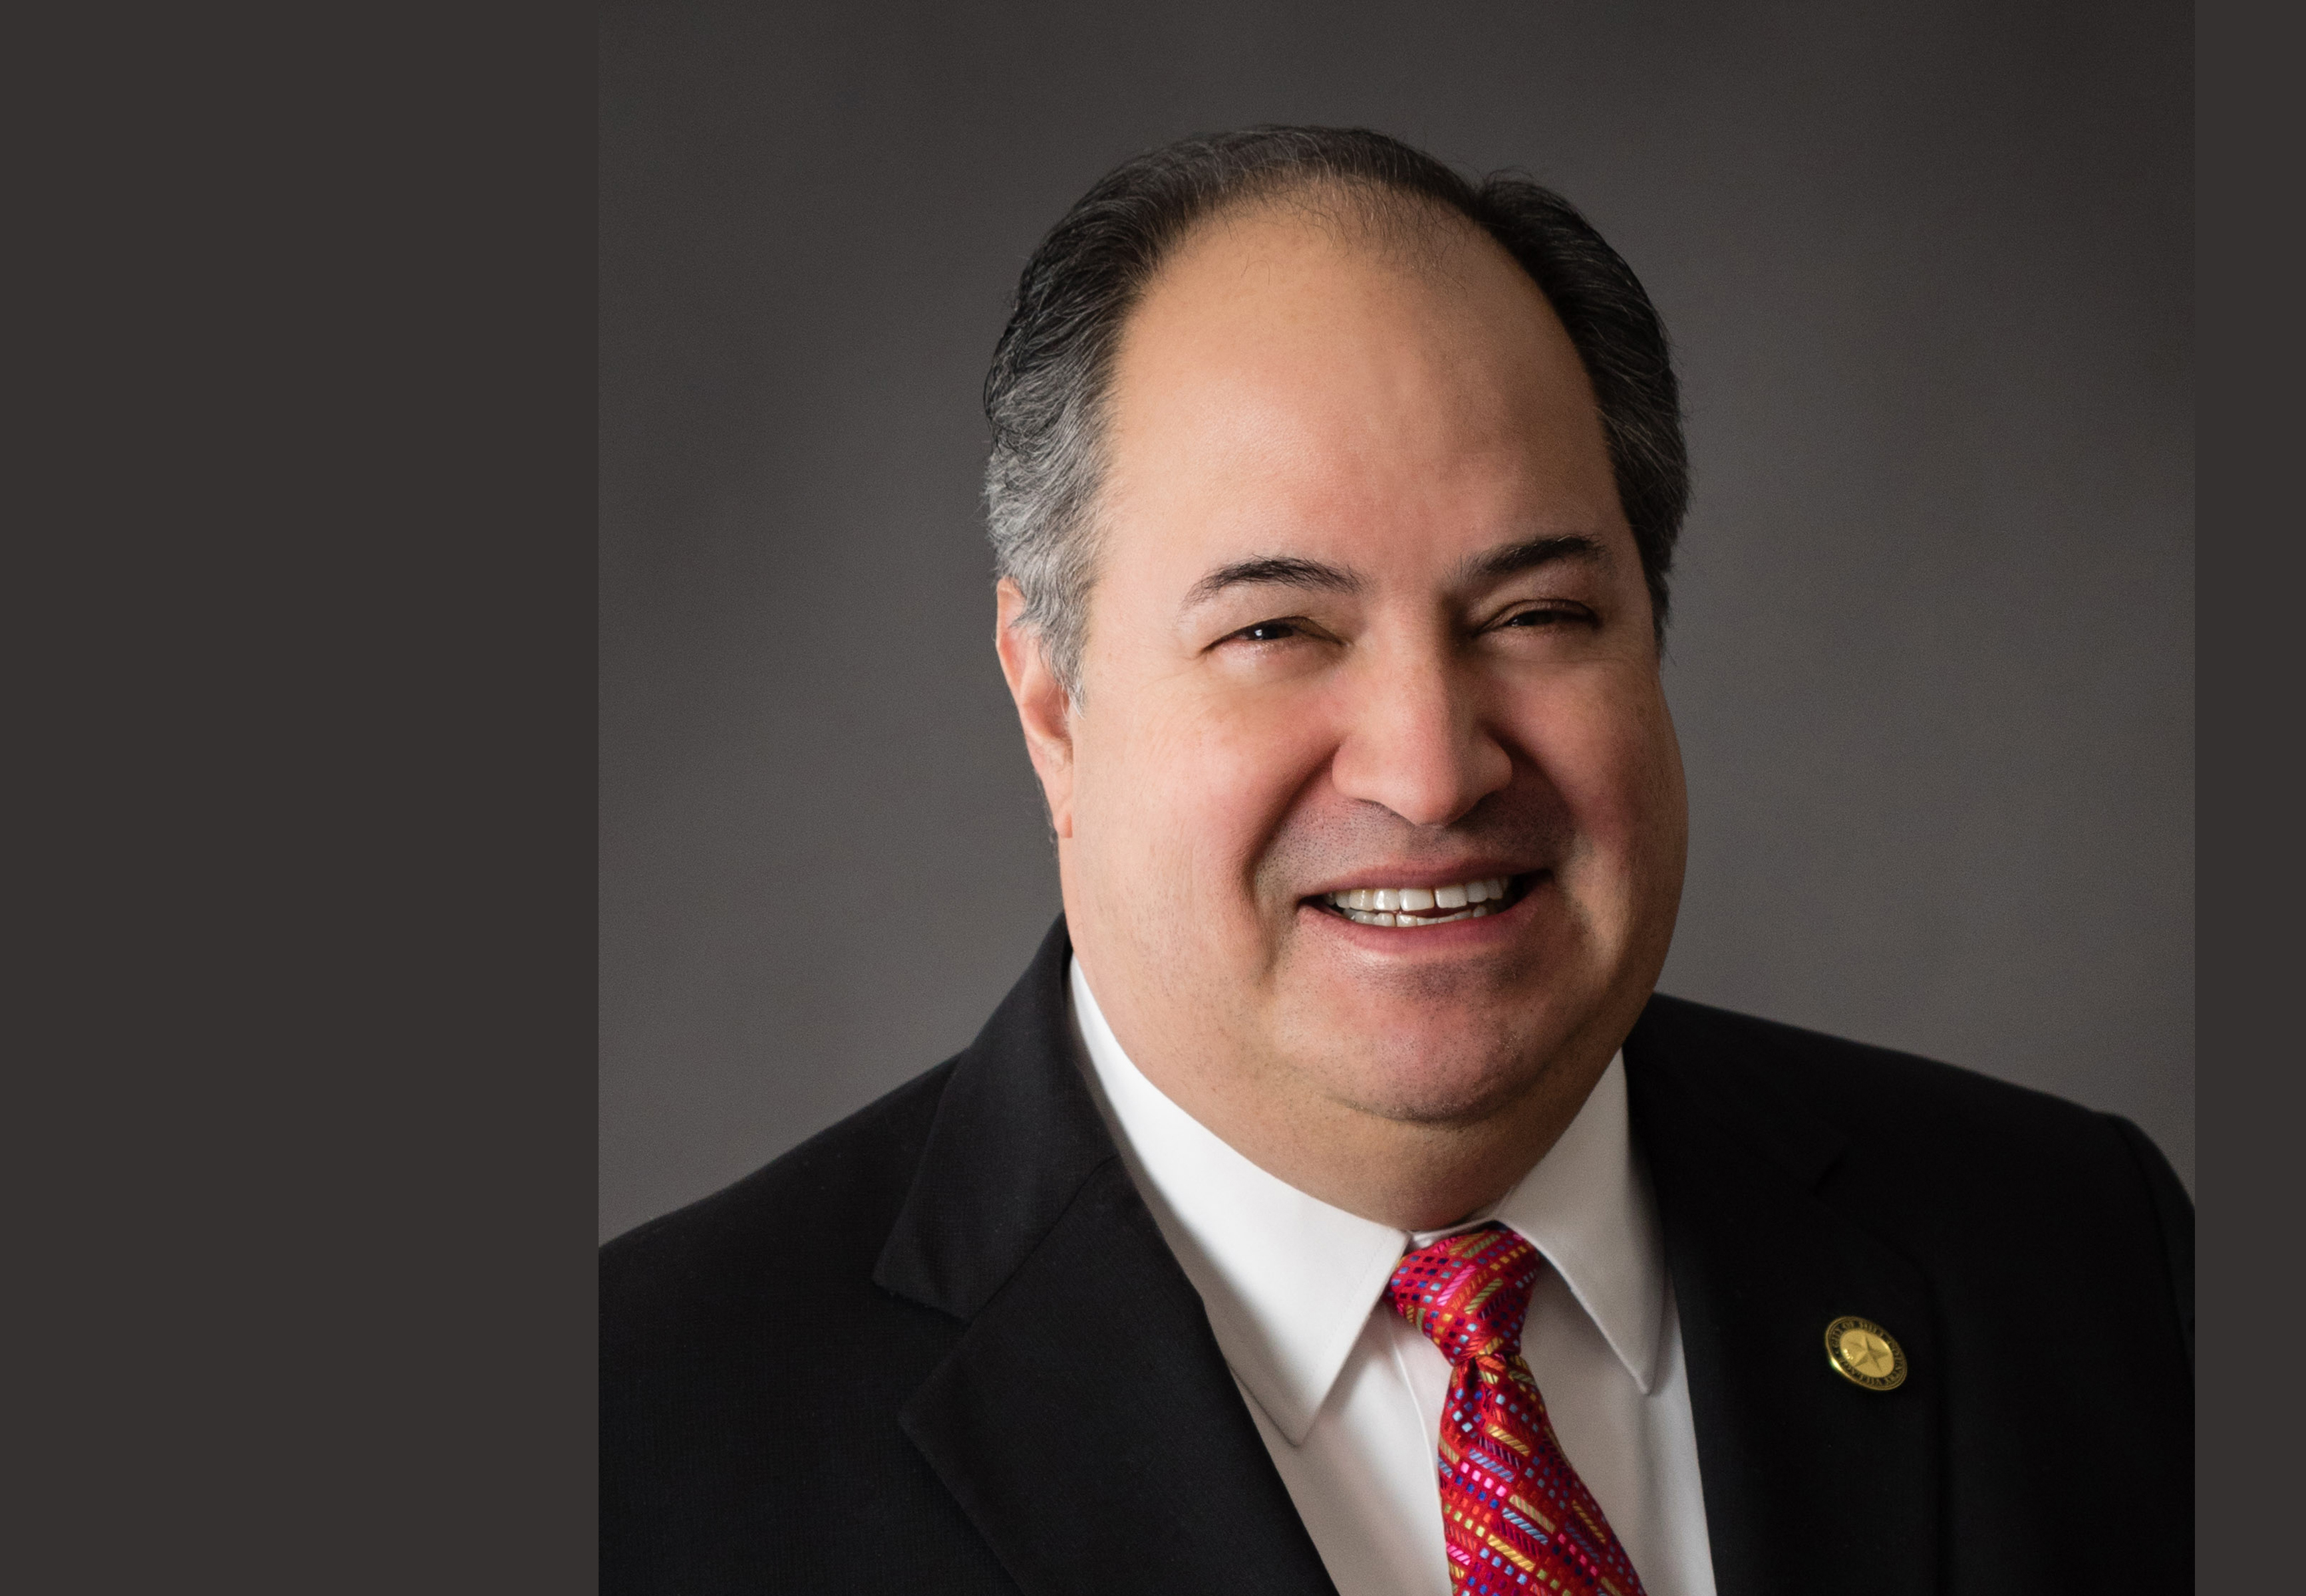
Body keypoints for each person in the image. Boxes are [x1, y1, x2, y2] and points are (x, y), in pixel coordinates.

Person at [601, 126, 2192, 1596]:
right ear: (1052, 703)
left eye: (1537, 616)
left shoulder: (2089, 1265)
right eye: (1279, 630)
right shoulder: (641, 1447)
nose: (1431, 771)